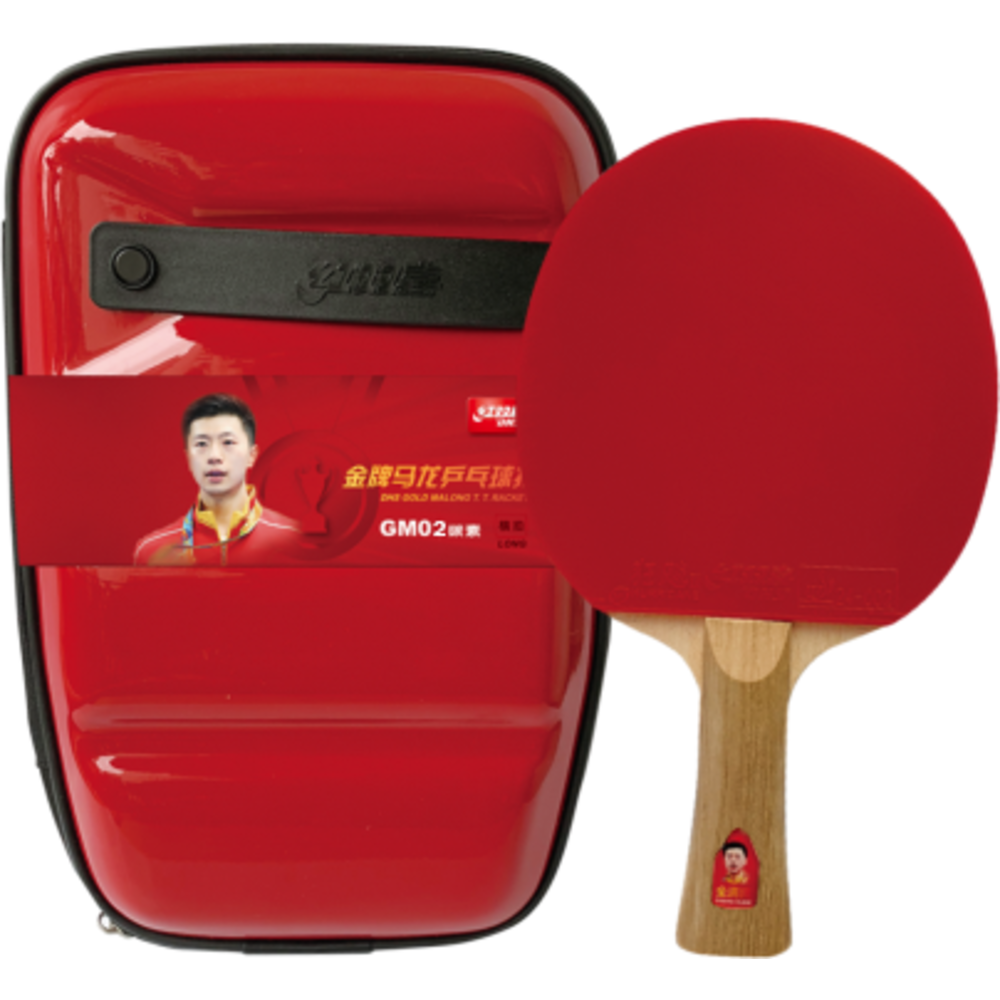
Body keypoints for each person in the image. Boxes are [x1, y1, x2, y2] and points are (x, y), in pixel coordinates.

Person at [134, 394, 299, 566]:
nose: (214, 456)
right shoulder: (152, 552)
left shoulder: (293, 541)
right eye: (202, 444)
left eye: (227, 442)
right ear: (188, 458)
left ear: (251, 455)